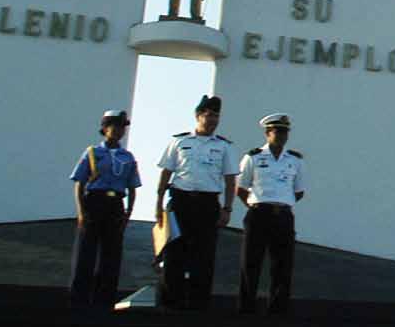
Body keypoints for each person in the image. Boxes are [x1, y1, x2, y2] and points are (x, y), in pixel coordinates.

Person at [155, 94, 236, 309]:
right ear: (198, 116)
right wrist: (158, 203)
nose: (212, 120)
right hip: (180, 202)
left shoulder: (224, 146)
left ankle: (198, 304)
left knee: (204, 255)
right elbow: (166, 173)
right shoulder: (179, 141)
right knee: (174, 253)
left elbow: (230, 181)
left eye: (216, 116)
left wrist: (227, 208)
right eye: (209, 115)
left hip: (207, 204)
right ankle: (170, 303)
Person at [69, 109, 140, 310]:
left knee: (112, 253)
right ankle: (79, 299)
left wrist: (128, 213)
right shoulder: (93, 152)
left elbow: (132, 186)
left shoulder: (127, 156)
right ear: (105, 128)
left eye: (121, 127)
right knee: (86, 252)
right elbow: (79, 184)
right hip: (94, 201)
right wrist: (81, 212)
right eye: (114, 126)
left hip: (115, 204)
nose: (118, 131)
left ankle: (104, 299)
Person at [236, 113, 305, 315]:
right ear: (267, 133)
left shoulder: (295, 160)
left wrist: (281, 204)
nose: (282, 135)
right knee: (251, 262)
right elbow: (241, 188)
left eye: (285, 132)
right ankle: (246, 308)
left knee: (282, 265)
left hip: (283, 215)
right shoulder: (253, 157)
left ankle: (278, 309)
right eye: (277, 131)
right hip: (259, 213)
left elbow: (299, 191)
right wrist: (258, 206)